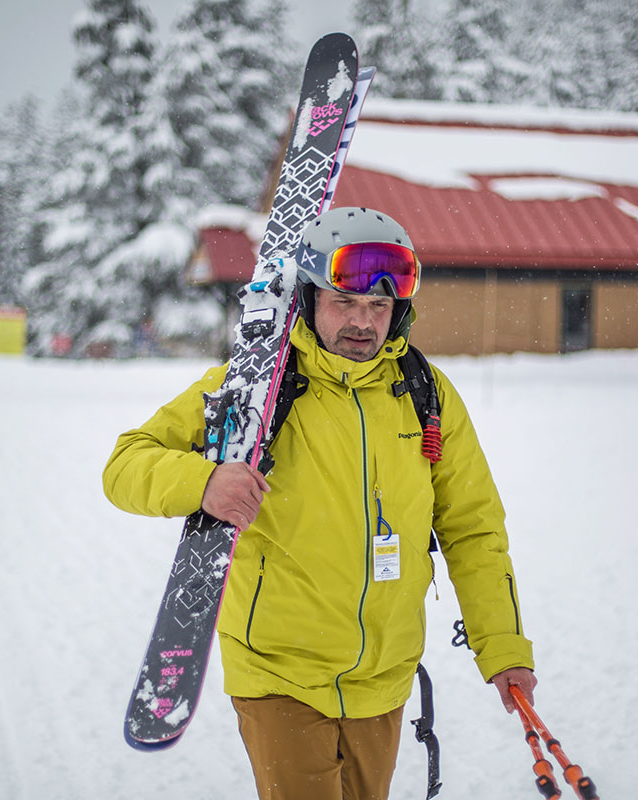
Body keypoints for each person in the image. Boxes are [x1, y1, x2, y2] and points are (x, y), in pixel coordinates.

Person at [103, 207, 536, 800]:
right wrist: (202, 481)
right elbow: (126, 463)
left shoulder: (425, 392)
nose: (363, 323)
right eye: (345, 303)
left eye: (379, 307)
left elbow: (473, 531)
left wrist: (504, 647)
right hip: (278, 672)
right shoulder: (255, 387)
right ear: (308, 299)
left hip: (384, 679)